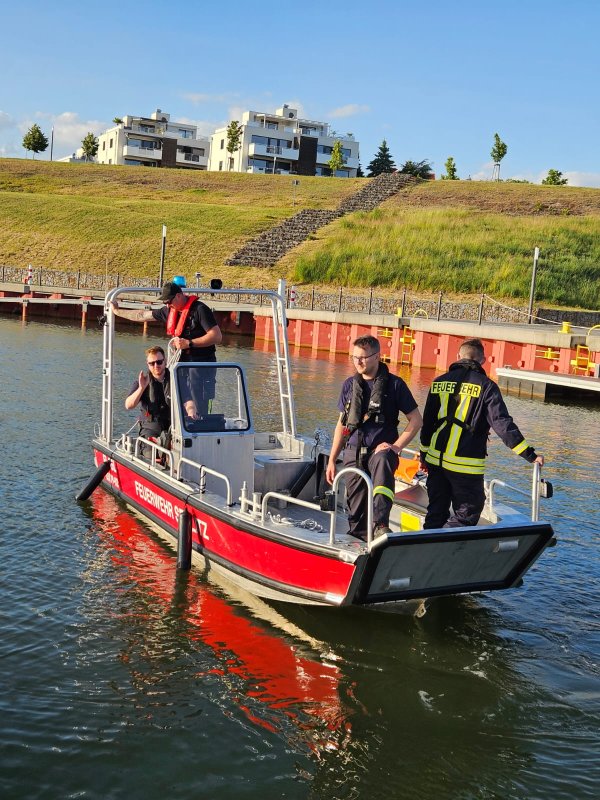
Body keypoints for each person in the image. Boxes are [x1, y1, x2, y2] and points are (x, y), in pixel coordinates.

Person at [420, 338, 544, 529]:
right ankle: (452, 554)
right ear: (483, 360)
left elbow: (427, 423)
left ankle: (425, 551)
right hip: (466, 465)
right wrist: (530, 455)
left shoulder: (438, 382)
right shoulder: (487, 386)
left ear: (457, 356)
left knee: (435, 512)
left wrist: (424, 456)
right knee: (465, 516)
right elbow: (502, 425)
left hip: (436, 461)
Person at [326, 336, 422, 541]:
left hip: (381, 451)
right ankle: (358, 541)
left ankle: (380, 524)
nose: (358, 362)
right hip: (354, 451)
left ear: (377, 356)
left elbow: (415, 420)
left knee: (383, 460)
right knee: (356, 506)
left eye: (363, 358)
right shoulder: (349, 385)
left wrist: (396, 447)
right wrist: (332, 460)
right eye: (354, 358)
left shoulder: (395, 385)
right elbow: (342, 425)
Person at [112, 281, 223, 418]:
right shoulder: (169, 310)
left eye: (169, 301)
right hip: (180, 366)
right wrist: (117, 311)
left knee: (198, 403)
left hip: (201, 366)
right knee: (179, 400)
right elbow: (142, 315)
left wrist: (189, 343)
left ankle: (199, 427)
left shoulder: (200, 310)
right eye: (165, 302)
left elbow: (217, 336)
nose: (167, 305)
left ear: (178, 296)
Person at [126, 346, 171, 456]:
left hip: (172, 427)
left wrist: (191, 411)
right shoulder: (141, 382)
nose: (156, 366)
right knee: (151, 454)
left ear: (165, 361)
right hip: (150, 427)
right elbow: (128, 405)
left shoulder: (176, 381)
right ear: (148, 364)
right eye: (152, 363)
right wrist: (141, 388)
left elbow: (188, 401)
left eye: (159, 362)